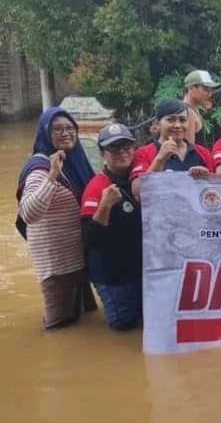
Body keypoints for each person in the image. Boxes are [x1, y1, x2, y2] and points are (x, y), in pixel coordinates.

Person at [16, 107, 97, 329]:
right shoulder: (39, 168)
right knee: (57, 327)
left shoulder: (76, 160)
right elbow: (29, 213)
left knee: (85, 319)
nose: (65, 133)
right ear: (45, 133)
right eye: (57, 129)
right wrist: (52, 175)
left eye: (70, 128)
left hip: (79, 257)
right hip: (57, 265)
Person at [80, 124, 143, 331]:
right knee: (124, 326)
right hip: (112, 275)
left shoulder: (141, 180)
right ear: (102, 154)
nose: (122, 152)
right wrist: (105, 205)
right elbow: (90, 238)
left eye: (126, 147)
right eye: (114, 148)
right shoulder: (97, 187)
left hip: (139, 270)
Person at [131, 98, 215, 199]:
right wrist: (160, 159)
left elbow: (216, 192)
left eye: (183, 120)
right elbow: (137, 194)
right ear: (157, 124)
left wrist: (205, 179)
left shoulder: (202, 152)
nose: (177, 125)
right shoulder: (143, 153)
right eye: (170, 120)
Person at [182, 69, 220, 145]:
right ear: (191, 88)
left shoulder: (193, 109)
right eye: (205, 89)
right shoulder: (187, 112)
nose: (210, 95)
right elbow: (189, 149)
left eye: (210, 90)